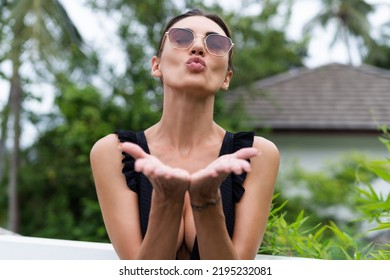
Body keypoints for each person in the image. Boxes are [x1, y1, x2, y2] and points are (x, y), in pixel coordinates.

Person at [90, 8, 280, 260]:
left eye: (216, 43)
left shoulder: (256, 155)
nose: (199, 47)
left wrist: (207, 200)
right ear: (156, 65)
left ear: (227, 78)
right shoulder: (113, 152)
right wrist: (167, 201)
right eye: (181, 38)